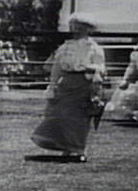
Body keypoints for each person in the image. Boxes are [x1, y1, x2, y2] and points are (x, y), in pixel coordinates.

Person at [30, 12, 106, 162]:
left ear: (88, 29)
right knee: (60, 114)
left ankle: (79, 149)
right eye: (73, 27)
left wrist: (94, 69)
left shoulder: (95, 48)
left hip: (85, 84)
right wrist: (52, 86)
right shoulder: (65, 47)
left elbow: (102, 67)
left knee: (79, 119)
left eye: (80, 28)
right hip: (66, 84)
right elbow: (56, 68)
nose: (76, 30)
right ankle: (65, 146)